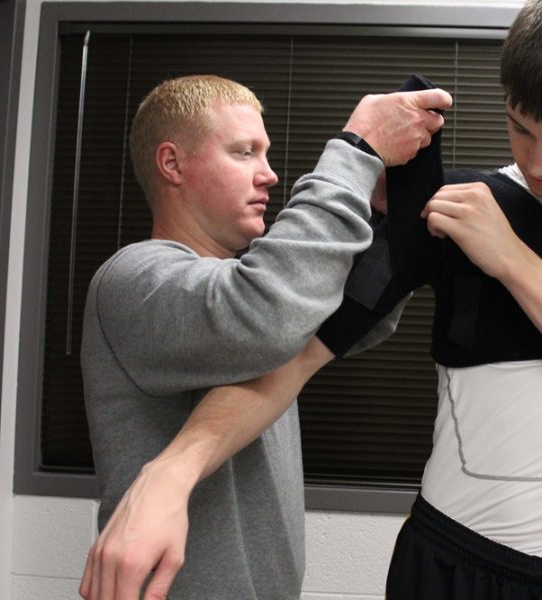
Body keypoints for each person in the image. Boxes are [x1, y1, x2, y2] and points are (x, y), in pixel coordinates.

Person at [211, 0, 542, 597]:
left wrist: (512, 260)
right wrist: (168, 480)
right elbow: (294, 357)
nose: (538, 162)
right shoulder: (457, 206)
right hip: (450, 562)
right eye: (520, 127)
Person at [78, 74, 451, 600]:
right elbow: (267, 310)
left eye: (266, 154)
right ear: (172, 164)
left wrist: (381, 215)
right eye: (244, 152)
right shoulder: (134, 280)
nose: (270, 174)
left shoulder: (248, 298)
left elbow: (346, 315)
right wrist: (357, 147)